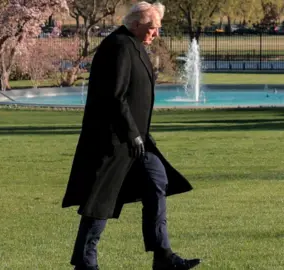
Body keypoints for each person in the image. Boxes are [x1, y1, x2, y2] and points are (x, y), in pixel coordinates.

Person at [61, 2, 201, 270]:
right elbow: (115, 96)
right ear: (135, 24)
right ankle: (85, 262)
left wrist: (138, 136)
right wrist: (132, 135)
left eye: (158, 28)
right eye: (152, 28)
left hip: (136, 141)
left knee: (156, 180)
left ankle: (162, 255)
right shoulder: (119, 47)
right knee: (100, 201)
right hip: (115, 141)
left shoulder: (132, 44)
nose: (156, 33)